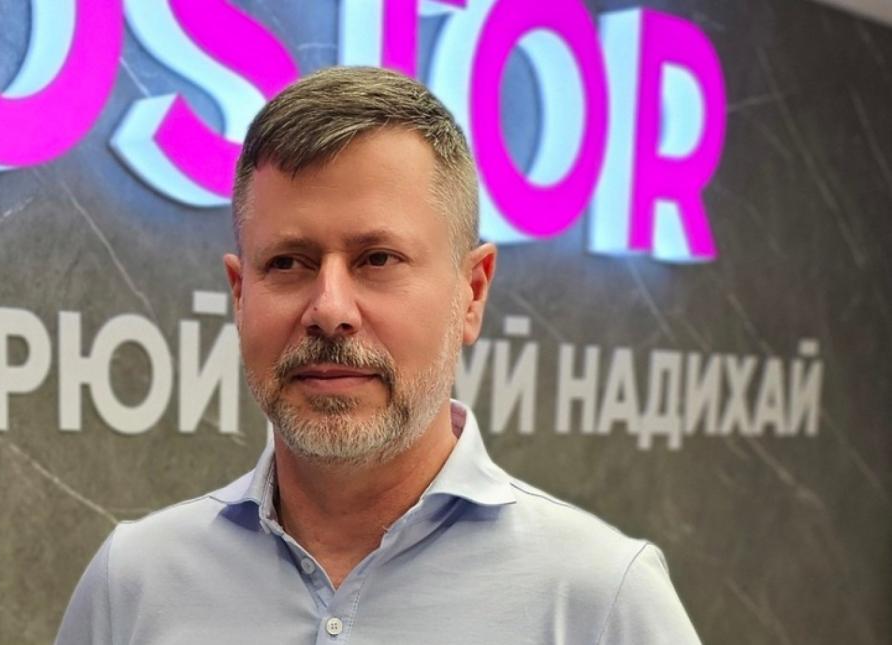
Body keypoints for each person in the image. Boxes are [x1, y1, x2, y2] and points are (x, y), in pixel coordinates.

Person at [55, 66, 700, 644]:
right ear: (239, 293)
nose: (329, 308)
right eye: (288, 263)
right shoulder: (133, 585)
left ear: (472, 293)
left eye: (378, 259)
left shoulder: (600, 602)